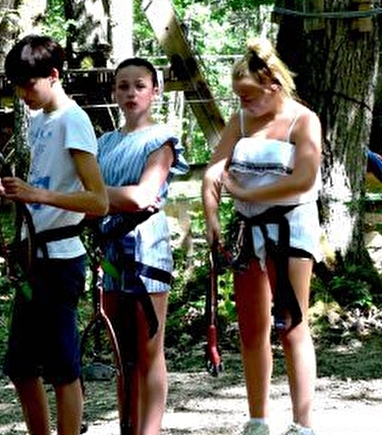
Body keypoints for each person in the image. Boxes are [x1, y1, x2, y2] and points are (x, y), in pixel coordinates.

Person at [0, 34, 109, 435]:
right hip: (34, 258)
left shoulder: (74, 120)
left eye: (28, 84)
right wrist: (3, 190)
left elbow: (98, 201)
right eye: (17, 85)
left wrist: (38, 193)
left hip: (61, 259)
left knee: (63, 369)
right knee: (20, 367)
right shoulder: (38, 123)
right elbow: (41, 194)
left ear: (53, 76)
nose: (22, 93)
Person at [200, 37, 323, 435]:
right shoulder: (239, 121)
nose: (244, 103)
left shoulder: (304, 120)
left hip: (290, 229)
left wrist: (250, 193)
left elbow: (304, 178)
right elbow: (214, 170)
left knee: (292, 323)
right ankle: (257, 420)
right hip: (247, 231)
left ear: (274, 84)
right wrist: (213, 214)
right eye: (239, 96)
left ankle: (302, 423)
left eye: (250, 95)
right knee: (252, 328)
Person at [95, 57, 187, 435]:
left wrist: (99, 196)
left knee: (149, 349)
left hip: (147, 248)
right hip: (111, 251)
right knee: (121, 352)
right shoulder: (104, 143)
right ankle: (127, 426)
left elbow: (145, 196)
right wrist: (107, 198)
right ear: (114, 92)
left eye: (139, 85)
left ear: (155, 91)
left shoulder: (161, 140)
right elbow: (97, 198)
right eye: (123, 86)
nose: (131, 93)